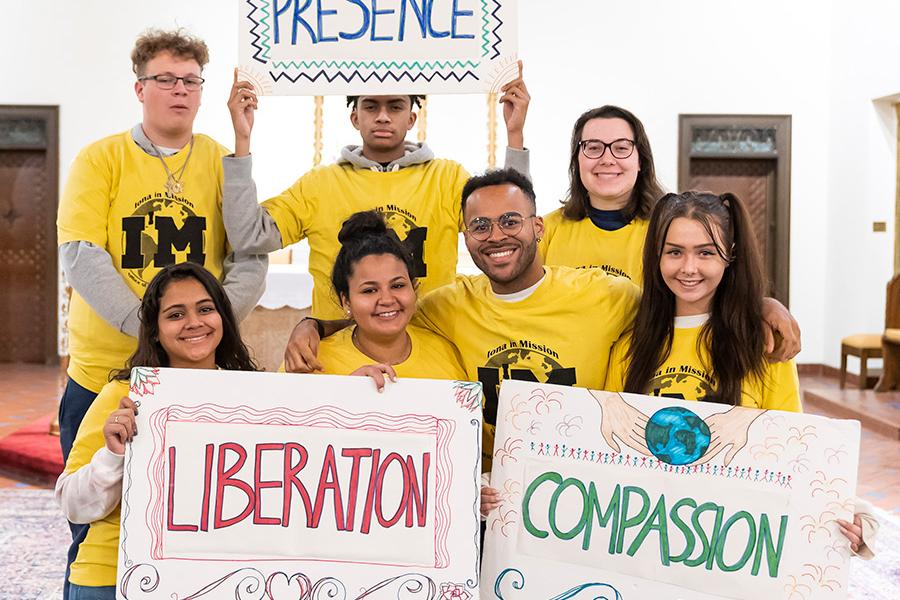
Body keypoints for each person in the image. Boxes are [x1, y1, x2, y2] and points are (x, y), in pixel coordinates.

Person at [55, 28, 266, 599]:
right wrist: (151, 331)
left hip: (197, 374)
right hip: (104, 371)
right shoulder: (101, 158)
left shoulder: (226, 161)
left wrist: (205, 326)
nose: (180, 90)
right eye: (166, 80)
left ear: (202, 91)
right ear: (139, 88)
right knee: (94, 520)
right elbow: (81, 252)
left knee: (201, 512)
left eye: (191, 81)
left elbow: (249, 253)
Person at [601, 190, 877, 558]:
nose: (688, 267)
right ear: (656, 256)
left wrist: (848, 516)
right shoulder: (628, 350)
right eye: (674, 251)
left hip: (731, 545)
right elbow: (604, 457)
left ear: (730, 255)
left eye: (706, 252)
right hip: (647, 542)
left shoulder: (763, 346)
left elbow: (791, 453)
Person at [222, 63, 532, 347]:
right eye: (371, 106)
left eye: (395, 106)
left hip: (432, 344)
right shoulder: (319, 183)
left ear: (411, 117)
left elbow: (508, 222)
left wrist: (514, 135)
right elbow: (250, 236)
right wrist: (242, 140)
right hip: (341, 351)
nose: (382, 116)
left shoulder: (447, 177)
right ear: (355, 116)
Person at [55, 263, 259, 600]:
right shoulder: (122, 396)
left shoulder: (251, 396)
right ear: (154, 329)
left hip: (212, 577)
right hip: (113, 574)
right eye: (175, 314)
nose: (194, 322)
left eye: (206, 309)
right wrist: (113, 457)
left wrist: (354, 396)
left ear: (223, 317)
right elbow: (74, 506)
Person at [309, 210, 467, 387]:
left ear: (414, 288)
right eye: (369, 290)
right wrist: (346, 395)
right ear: (346, 301)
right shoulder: (311, 359)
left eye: (397, 286)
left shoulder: (447, 354)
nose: (387, 299)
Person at [539, 105, 664, 283]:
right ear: (577, 161)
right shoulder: (545, 230)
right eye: (594, 148)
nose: (607, 160)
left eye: (621, 148)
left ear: (640, 161)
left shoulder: (665, 230)